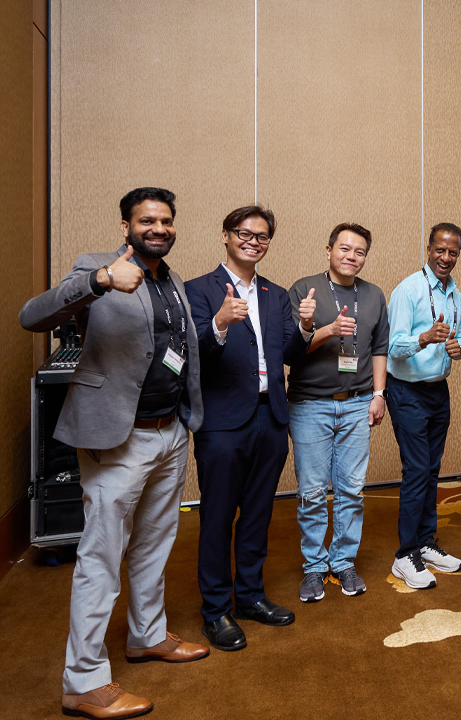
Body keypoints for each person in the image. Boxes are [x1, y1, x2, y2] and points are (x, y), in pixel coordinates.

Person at [20, 187, 209, 720]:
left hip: (169, 433)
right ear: (125, 225)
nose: (158, 228)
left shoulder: (170, 279)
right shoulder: (97, 268)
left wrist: (185, 421)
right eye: (147, 219)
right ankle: (82, 681)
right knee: (101, 557)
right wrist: (101, 281)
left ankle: (147, 635)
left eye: (166, 220)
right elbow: (31, 316)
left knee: (155, 542)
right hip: (115, 438)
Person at [184, 204, 307, 652]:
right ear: (226, 236)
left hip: (270, 416)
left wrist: (307, 327)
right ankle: (215, 610)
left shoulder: (275, 295)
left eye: (262, 237)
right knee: (217, 516)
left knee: (258, 513)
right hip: (222, 422)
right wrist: (218, 323)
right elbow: (191, 353)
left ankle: (250, 596)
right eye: (244, 233)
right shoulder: (198, 289)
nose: (253, 241)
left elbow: (289, 350)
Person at [287, 223, 390, 602]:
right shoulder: (305, 289)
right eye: (345, 249)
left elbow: (380, 349)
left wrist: (379, 394)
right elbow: (291, 351)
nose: (352, 256)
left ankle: (343, 561)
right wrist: (326, 328)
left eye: (360, 251)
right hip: (310, 404)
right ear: (328, 249)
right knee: (312, 492)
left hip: (358, 402)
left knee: (351, 490)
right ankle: (314, 568)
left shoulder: (374, 295)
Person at [386, 223, 461, 589]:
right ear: (429, 248)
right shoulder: (408, 290)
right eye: (440, 250)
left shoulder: (454, 294)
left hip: (439, 391)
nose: (446, 258)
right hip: (407, 392)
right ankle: (405, 555)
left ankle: (425, 542)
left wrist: (458, 348)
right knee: (417, 470)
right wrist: (423, 339)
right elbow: (393, 347)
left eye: (452, 252)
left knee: (432, 471)